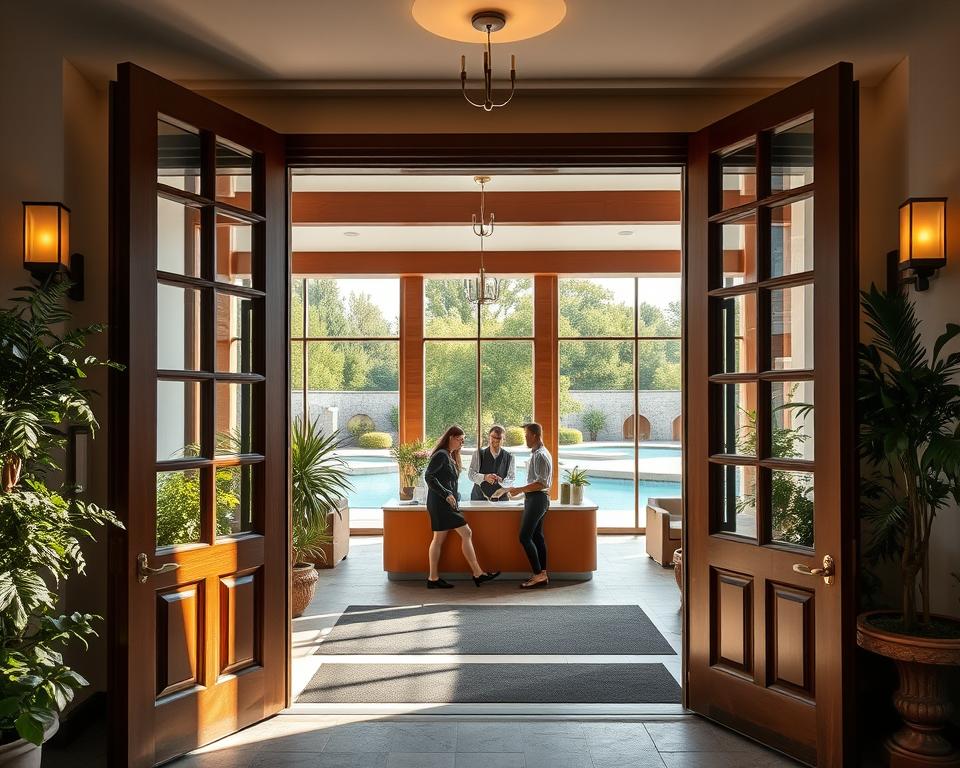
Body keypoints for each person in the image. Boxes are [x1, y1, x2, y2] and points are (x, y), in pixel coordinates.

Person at [423, 425, 501, 589]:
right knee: (466, 532)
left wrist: (453, 495)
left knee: (438, 540)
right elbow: (429, 476)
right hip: (440, 504)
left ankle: (433, 578)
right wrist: (447, 494)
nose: (462, 443)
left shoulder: (449, 455)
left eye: (463, 441)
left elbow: (446, 480)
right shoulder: (442, 455)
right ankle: (478, 573)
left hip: (445, 503)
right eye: (460, 440)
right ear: (451, 437)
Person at [502, 422, 553, 588]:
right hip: (536, 499)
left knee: (524, 536)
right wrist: (521, 493)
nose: (525, 439)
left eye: (526, 436)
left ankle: (538, 573)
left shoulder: (540, 455)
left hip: (537, 499)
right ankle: (542, 574)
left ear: (535, 436)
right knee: (537, 536)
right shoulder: (538, 454)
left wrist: (519, 490)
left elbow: (541, 483)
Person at [468, 424, 516, 501]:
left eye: (499, 438)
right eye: (493, 437)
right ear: (488, 437)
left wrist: (502, 481)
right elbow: (471, 474)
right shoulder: (478, 454)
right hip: (479, 498)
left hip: (501, 499)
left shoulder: (510, 457)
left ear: (504, 439)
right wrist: (485, 477)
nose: (496, 440)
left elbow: (512, 478)